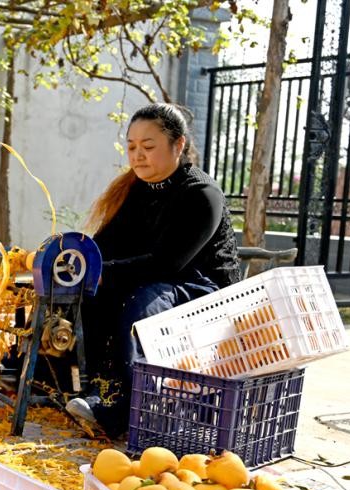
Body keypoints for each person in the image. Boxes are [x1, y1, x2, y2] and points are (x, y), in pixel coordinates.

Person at [65, 103, 241, 438]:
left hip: (206, 293)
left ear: (178, 145)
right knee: (91, 292)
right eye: (131, 147)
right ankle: (87, 386)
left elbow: (168, 263)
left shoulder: (201, 194)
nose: (137, 155)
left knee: (143, 301)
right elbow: (106, 244)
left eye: (148, 146)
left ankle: (127, 410)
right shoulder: (137, 190)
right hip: (162, 280)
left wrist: (105, 272)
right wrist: (77, 262)